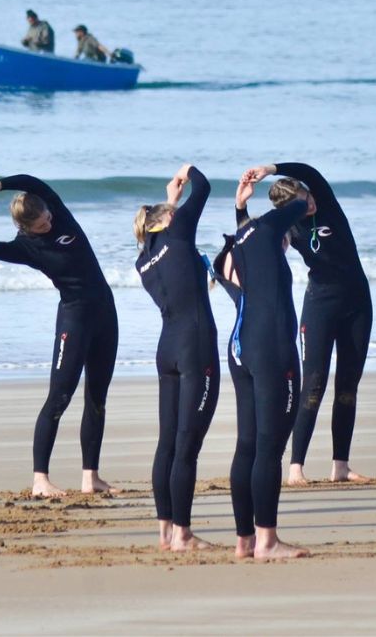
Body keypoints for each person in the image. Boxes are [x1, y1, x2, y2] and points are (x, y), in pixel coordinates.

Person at [0, 172, 120, 497]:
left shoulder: (58, 214)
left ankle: (91, 477)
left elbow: (33, 183)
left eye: (48, 217)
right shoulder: (25, 248)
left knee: (97, 397)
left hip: (105, 313)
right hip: (74, 320)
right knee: (59, 398)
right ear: (26, 228)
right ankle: (40, 479)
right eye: (42, 225)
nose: (49, 223)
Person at [240, 162, 373, 485]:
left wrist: (271, 168)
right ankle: (295, 467)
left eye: (307, 196)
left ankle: (340, 466)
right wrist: (241, 207)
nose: (309, 203)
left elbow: (309, 173)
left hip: (357, 302)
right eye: (301, 203)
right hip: (319, 306)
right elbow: (253, 238)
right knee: (313, 385)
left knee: (348, 386)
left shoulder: (325, 202)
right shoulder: (289, 227)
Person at [221, 173, 311, 559]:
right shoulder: (271, 228)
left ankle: (244, 540)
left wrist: (241, 205)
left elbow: (248, 226)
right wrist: (296, 192)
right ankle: (267, 542)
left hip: (240, 348)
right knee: (269, 447)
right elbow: (303, 203)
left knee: (247, 444)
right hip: (271, 349)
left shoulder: (242, 239)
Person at [133, 165, 219, 551]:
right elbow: (204, 187)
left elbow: (159, 238)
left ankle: (165, 532)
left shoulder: (144, 261)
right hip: (195, 348)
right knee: (187, 445)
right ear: (169, 220)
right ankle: (183, 534)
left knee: (167, 443)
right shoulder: (179, 232)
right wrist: (186, 171)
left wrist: (170, 200)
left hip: (166, 350)